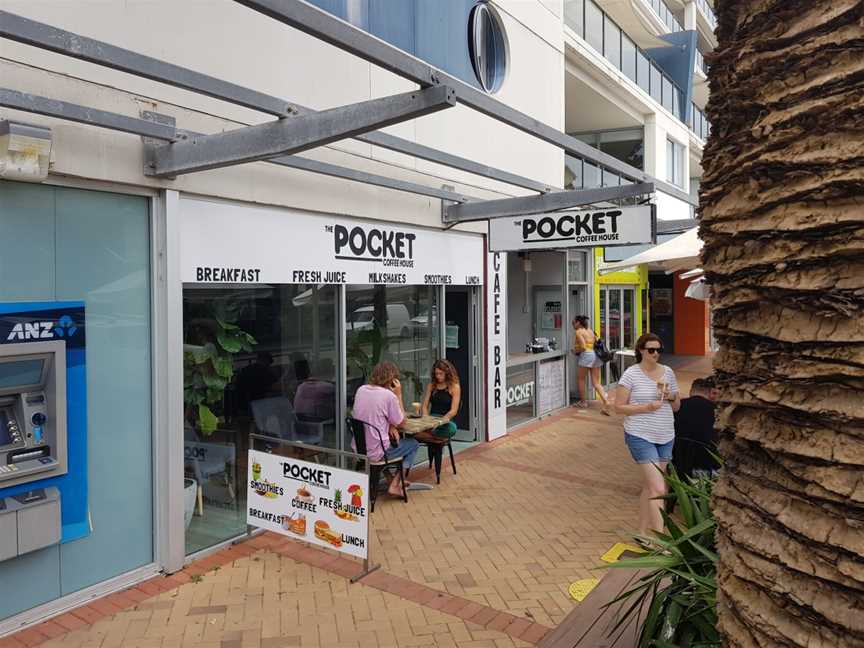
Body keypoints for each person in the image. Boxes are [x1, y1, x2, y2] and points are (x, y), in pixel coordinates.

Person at [614, 333, 681, 538]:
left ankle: (642, 533)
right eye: (651, 350)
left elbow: (677, 406)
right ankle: (661, 539)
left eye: (659, 350)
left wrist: (670, 396)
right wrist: (646, 407)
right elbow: (619, 407)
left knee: (650, 487)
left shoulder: (668, 372)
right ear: (641, 350)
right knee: (659, 488)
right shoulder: (631, 374)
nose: (655, 354)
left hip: (665, 434)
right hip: (640, 434)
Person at [351, 361, 419, 497]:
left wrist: (390, 426)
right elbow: (402, 422)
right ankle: (395, 484)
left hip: (359, 448)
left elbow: (374, 415)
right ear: (392, 380)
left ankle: (390, 479)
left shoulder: (361, 389)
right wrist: (398, 395)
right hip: (378, 452)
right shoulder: (389, 396)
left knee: (381, 440)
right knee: (413, 444)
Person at [672, 377, 719, 480]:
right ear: (709, 392)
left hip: (676, 464)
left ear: (691, 391)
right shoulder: (717, 410)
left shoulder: (675, 407)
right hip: (707, 467)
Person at [570, 316, 612, 415]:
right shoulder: (590, 330)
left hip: (587, 355)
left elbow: (583, 347)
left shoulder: (579, 332)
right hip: (596, 356)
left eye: (573, 323)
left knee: (581, 379)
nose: (573, 325)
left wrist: (575, 351)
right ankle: (606, 401)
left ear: (578, 323)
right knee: (596, 382)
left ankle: (583, 402)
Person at [415, 359, 461, 443]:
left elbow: (454, 410)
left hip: (446, 420)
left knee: (452, 429)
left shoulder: (454, 387)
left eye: (441, 374)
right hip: (432, 418)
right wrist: (426, 418)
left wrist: (441, 421)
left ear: (447, 373)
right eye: (436, 374)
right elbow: (425, 406)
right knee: (415, 425)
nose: (438, 376)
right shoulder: (431, 386)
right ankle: (438, 439)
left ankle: (425, 436)